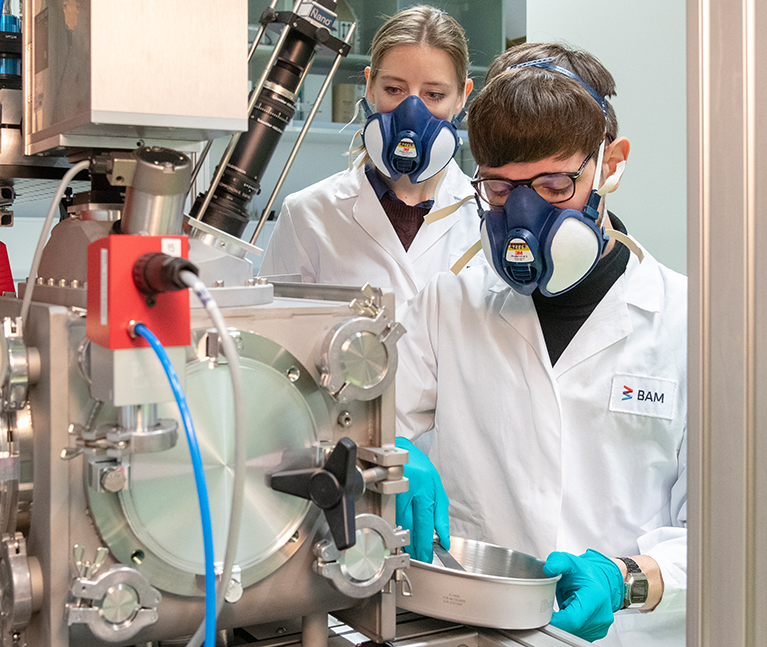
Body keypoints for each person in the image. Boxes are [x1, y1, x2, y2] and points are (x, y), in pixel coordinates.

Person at [393, 43, 686, 646]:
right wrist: (385, 454)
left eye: (555, 184)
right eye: (501, 189)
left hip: (627, 634)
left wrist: (628, 579)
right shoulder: (447, 305)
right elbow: (362, 432)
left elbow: (729, 527)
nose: (524, 215)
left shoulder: (692, 322)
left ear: (610, 164)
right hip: (474, 630)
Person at [260, 6, 482, 305]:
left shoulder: (486, 217)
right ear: (370, 87)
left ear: (462, 97)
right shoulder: (307, 214)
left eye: (434, 95)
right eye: (394, 89)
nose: (411, 112)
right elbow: (275, 328)